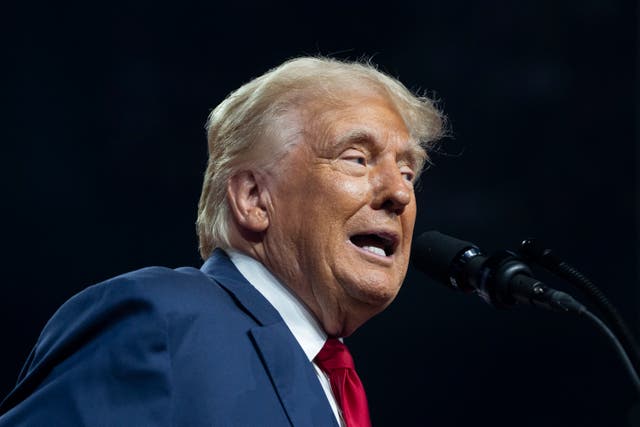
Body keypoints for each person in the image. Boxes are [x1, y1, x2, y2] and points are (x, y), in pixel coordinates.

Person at [0, 57, 443, 426]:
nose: (401, 193)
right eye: (357, 158)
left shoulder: (334, 384)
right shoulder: (162, 321)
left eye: (407, 172)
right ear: (253, 199)